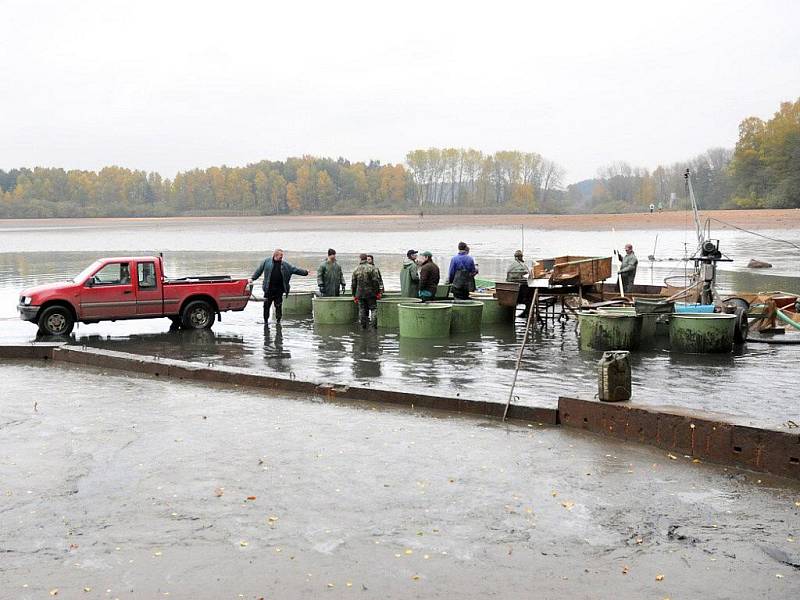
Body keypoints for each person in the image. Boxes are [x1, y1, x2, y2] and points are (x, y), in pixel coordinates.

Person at [251, 249, 309, 323]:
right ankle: (265, 321)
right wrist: (253, 278)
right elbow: (259, 271)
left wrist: (305, 272)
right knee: (266, 306)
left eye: (282, 256)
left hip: (279, 290)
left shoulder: (285, 264)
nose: (282, 257)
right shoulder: (266, 262)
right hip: (268, 289)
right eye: (281, 256)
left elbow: (295, 270)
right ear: (275, 255)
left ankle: (278, 321)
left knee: (278, 306)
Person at [351, 253, 382, 328]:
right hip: (371, 293)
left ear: (360, 258)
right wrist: (378, 292)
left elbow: (353, 284)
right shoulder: (372, 268)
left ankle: (363, 326)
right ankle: (374, 326)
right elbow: (376, 281)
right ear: (366, 259)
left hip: (360, 293)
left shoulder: (356, 269)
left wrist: (354, 295)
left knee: (362, 309)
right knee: (373, 308)